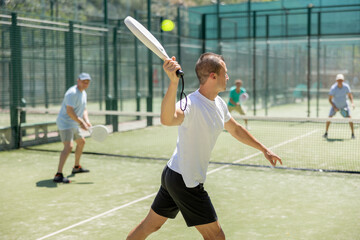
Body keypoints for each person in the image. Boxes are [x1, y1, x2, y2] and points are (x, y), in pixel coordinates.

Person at [126, 53, 282, 240]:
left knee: (150, 226)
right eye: (225, 73)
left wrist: (264, 149)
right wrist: (173, 83)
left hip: (173, 174)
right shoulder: (191, 104)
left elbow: (236, 129)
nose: (228, 77)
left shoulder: (219, 103)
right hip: (185, 181)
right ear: (213, 76)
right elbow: (167, 120)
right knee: (216, 237)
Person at [53, 73, 92, 183]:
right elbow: (70, 112)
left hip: (74, 122)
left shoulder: (83, 93)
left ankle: (76, 167)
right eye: (84, 81)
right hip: (65, 123)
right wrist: (81, 122)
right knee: (68, 147)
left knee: (81, 142)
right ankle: (58, 175)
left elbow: (84, 109)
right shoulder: (72, 93)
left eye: (87, 82)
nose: (85, 84)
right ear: (78, 80)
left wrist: (87, 121)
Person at [323, 73, 355, 139]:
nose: (340, 81)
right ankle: (326, 133)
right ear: (336, 81)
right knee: (329, 118)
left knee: (350, 118)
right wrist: (334, 107)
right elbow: (330, 99)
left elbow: (350, 95)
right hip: (335, 105)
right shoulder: (333, 88)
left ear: (343, 80)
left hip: (344, 105)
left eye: (341, 80)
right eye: (338, 80)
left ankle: (353, 134)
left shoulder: (346, 87)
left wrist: (352, 103)